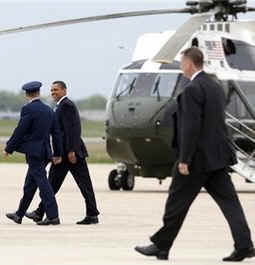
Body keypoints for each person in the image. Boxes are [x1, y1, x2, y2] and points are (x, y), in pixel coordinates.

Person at [135, 47, 255, 262]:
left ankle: (161, 246)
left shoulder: (192, 89)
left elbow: (191, 126)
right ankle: (244, 245)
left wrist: (184, 159)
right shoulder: (215, 86)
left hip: (196, 160)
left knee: (176, 203)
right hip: (217, 158)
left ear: (190, 64)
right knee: (230, 203)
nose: (182, 67)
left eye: (182, 63)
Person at [25, 80, 100, 225]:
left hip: (71, 154)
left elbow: (73, 130)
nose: (53, 92)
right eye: (52, 90)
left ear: (64, 91)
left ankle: (91, 214)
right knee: (53, 184)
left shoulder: (67, 105)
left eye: (56, 90)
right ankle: (40, 212)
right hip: (65, 153)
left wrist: (71, 150)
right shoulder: (61, 106)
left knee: (82, 184)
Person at [3, 81, 62, 225]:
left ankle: (53, 216)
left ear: (27, 94)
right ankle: (19, 214)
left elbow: (20, 130)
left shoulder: (28, 109)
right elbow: (56, 133)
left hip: (34, 153)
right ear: (38, 93)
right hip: (45, 153)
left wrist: (9, 148)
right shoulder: (49, 110)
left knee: (43, 184)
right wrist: (57, 153)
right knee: (30, 185)